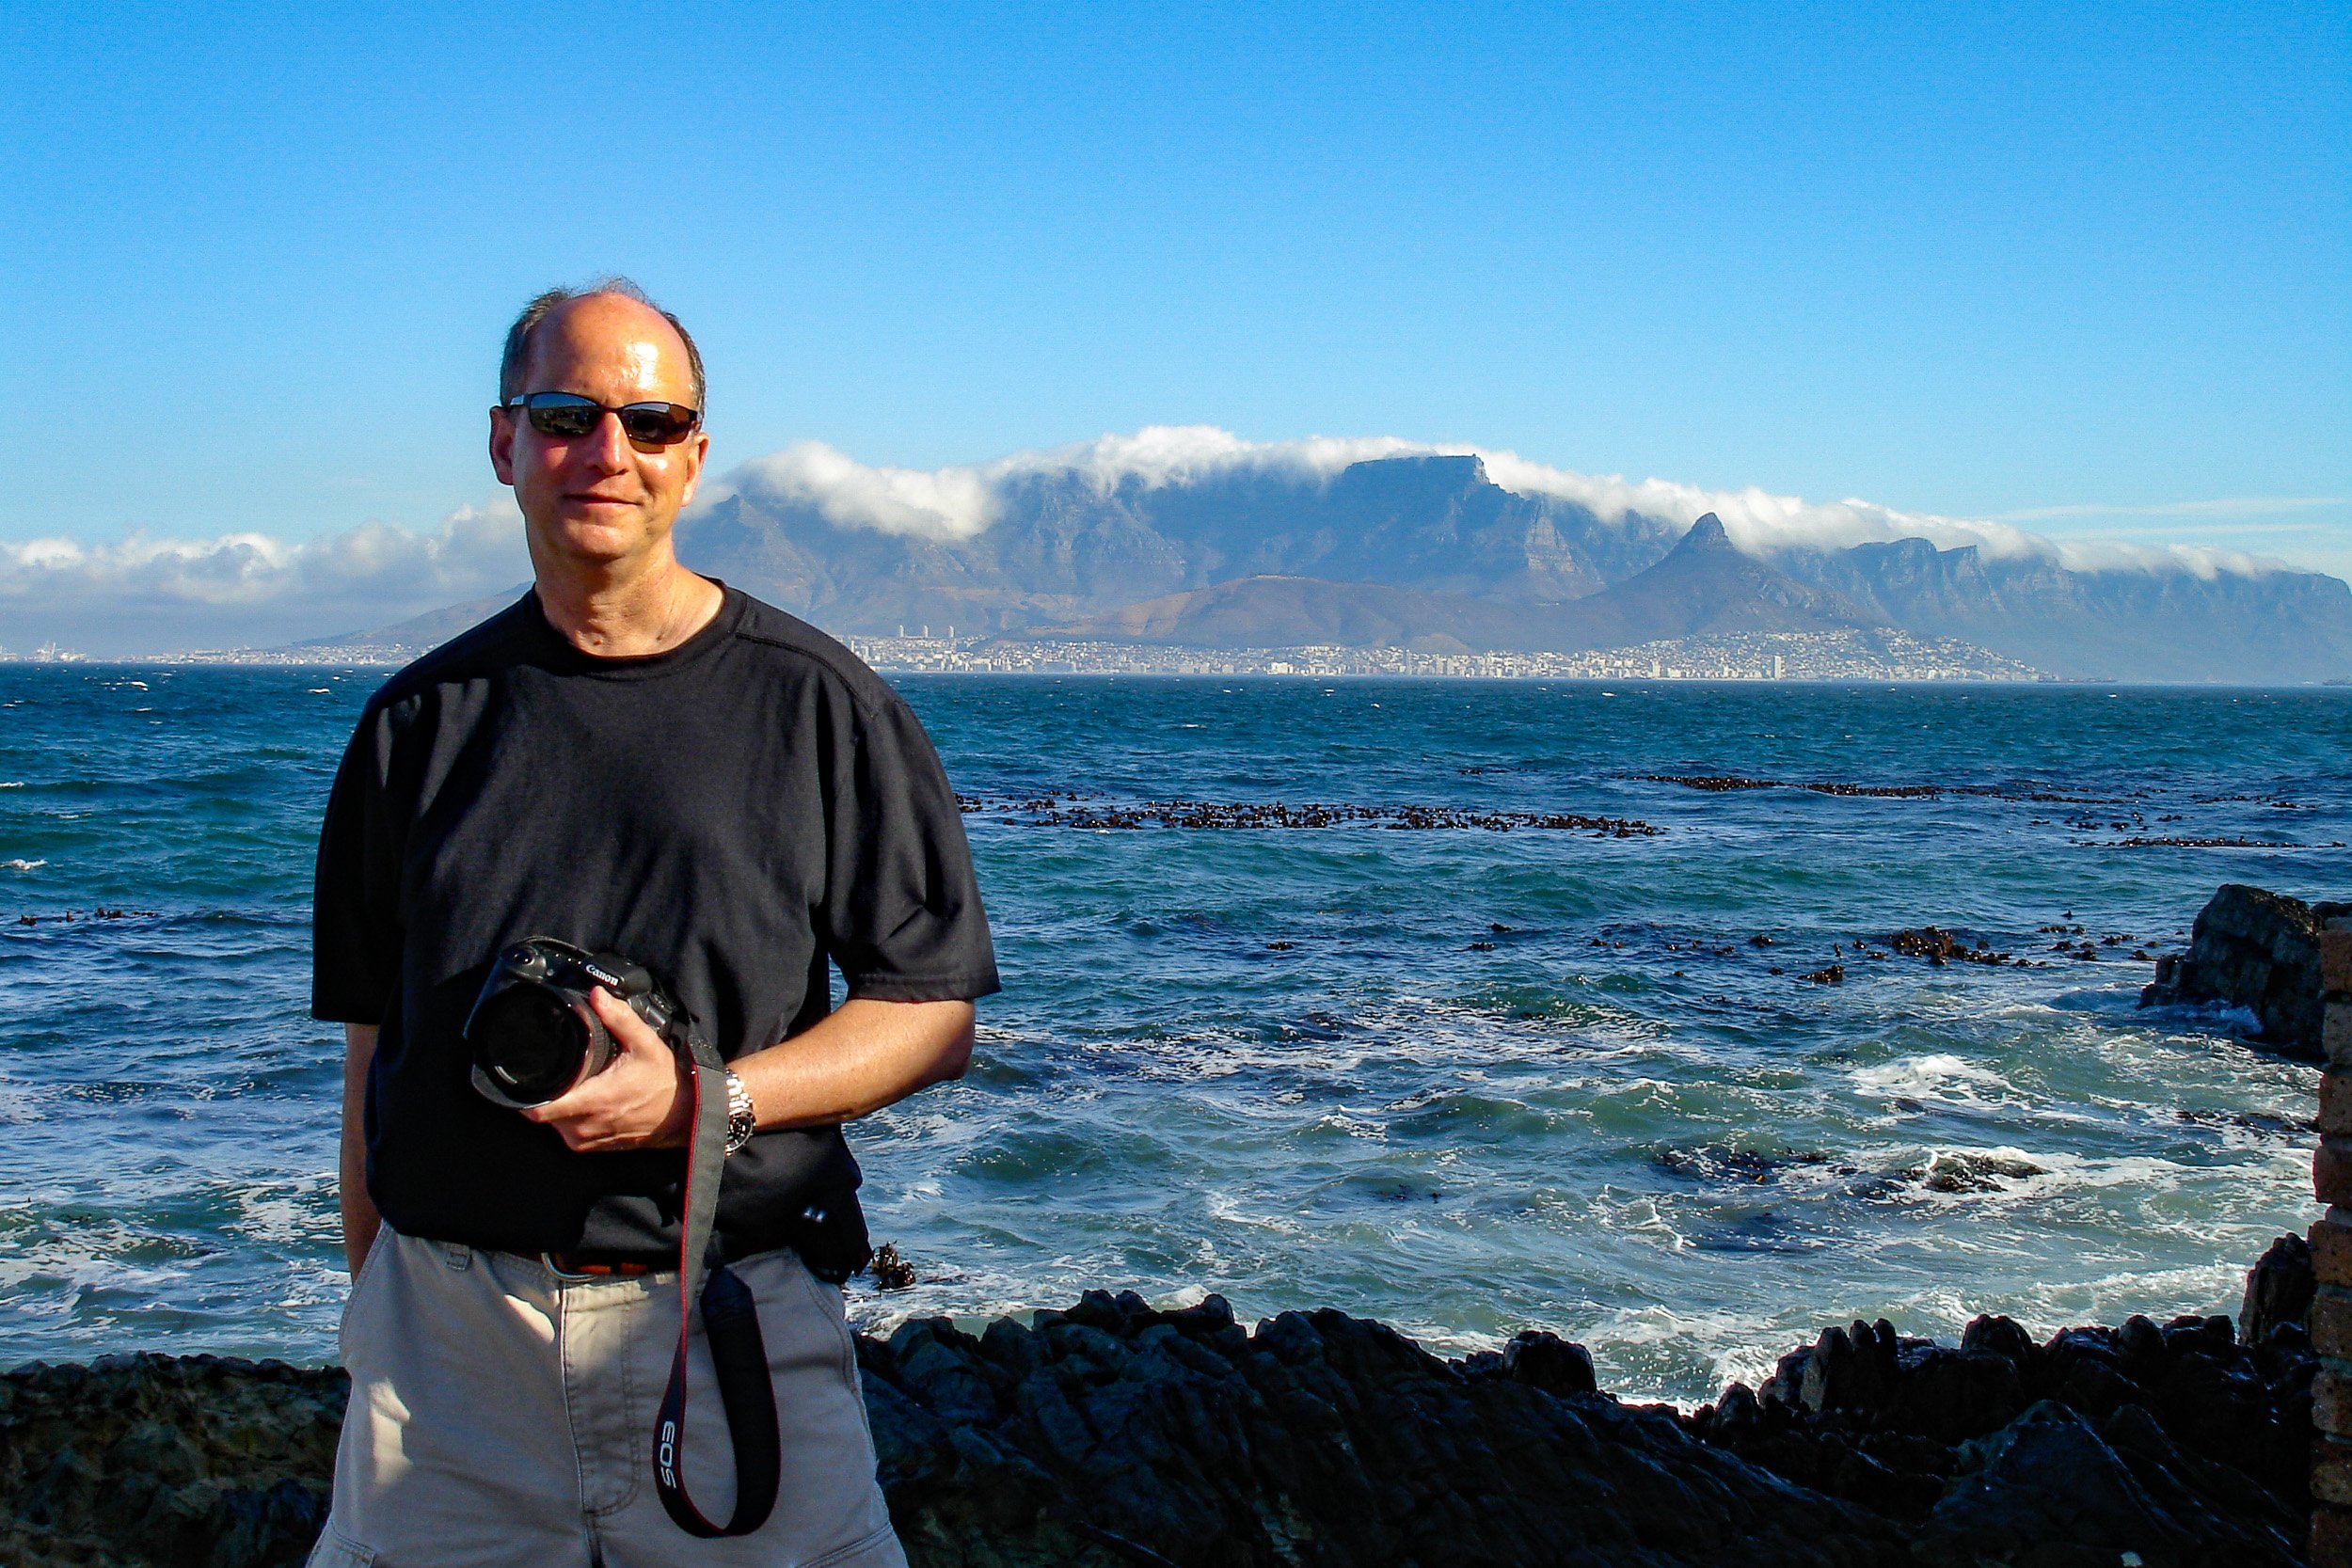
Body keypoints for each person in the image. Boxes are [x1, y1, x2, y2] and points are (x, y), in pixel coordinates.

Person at [308, 277, 998, 1567]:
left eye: (651, 419)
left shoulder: (818, 705)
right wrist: (377, 1322)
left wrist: (707, 1102)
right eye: (567, 414)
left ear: (696, 453)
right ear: (504, 442)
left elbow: (931, 1009)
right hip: (447, 1363)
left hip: (732, 1332)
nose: (607, 452)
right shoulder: (415, 726)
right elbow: (370, 1060)